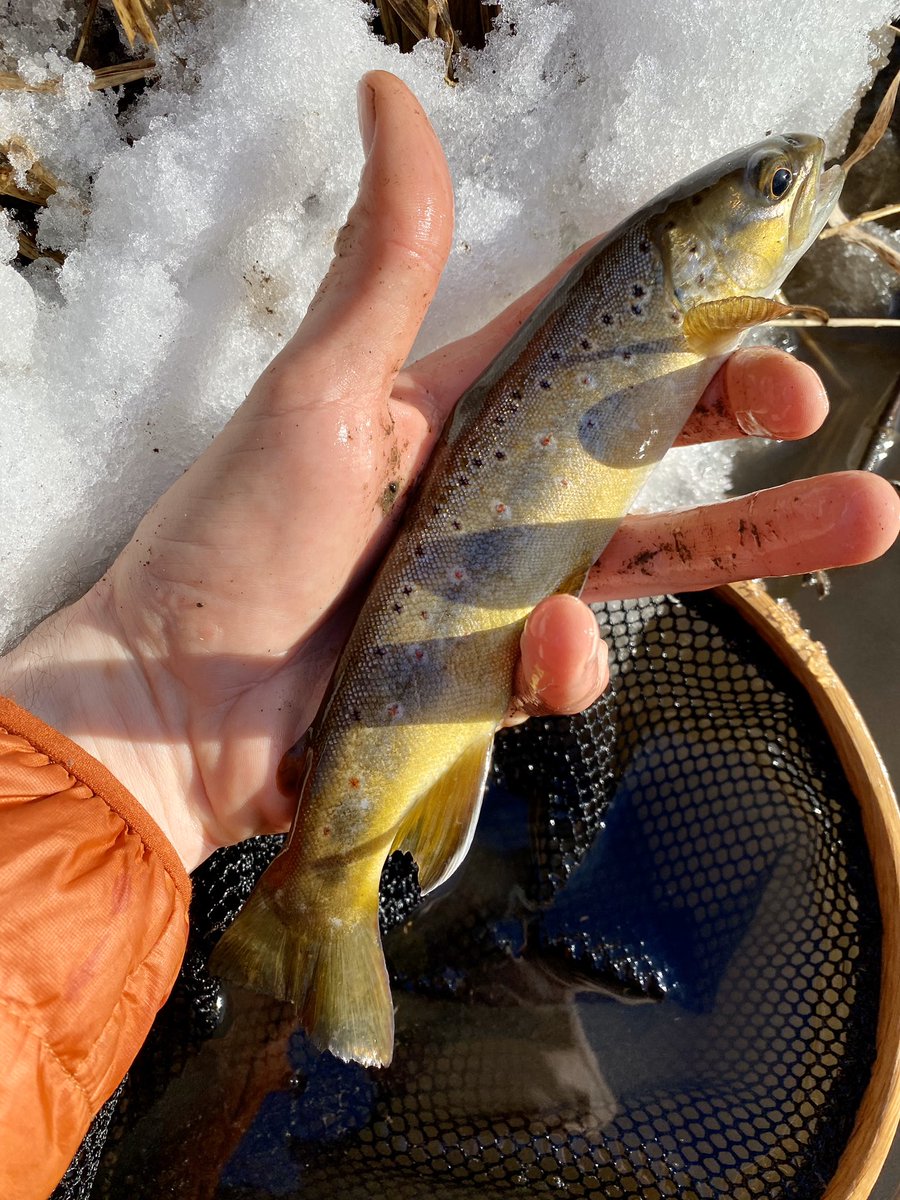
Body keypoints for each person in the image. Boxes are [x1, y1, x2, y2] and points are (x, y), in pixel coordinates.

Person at [0, 70, 897, 1199]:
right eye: (774, 186)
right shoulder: (705, 308)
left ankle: (324, 887)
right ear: (688, 263)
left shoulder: (696, 299)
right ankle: (325, 891)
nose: (797, 183)